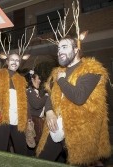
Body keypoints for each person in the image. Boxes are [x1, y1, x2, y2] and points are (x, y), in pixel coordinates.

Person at [36, 37, 111, 166]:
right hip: (55, 126)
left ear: (76, 50)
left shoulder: (90, 70)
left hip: (79, 129)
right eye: (59, 48)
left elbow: (79, 97)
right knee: (41, 162)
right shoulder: (58, 73)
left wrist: (62, 81)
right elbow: (51, 96)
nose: (60, 51)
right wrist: (48, 112)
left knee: (79, 162)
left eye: (64, 47)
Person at [0, 52, 30, 155]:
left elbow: (25, 102)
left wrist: (29, 119)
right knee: (1, 149)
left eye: (17, 60)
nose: (14, 62)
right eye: (12, 60)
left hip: (18, 119)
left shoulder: (22, 80)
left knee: (21, 149)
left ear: (19, 64)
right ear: (7, 61)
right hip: (3, 117)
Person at [26, 71, 48, 156]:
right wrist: (46, 96)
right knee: (33, 144)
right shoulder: (29, 91)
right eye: (38, 79)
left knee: (36, 144)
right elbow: (37, 104)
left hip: (38, 120)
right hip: (33, 121)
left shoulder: (34, 92)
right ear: (32, 80)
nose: (39, 81)